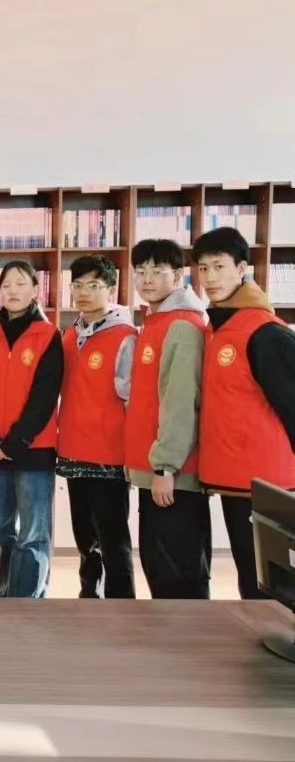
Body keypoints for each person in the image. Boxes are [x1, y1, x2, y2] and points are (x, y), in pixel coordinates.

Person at [194, 226, 295, 599]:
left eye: (219, 266)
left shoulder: (265, 332)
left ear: (241, 269)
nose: (210, 277)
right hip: (234, 479)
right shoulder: (218, 328)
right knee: (251, 578)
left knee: (273, 584)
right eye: (203, 268)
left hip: (269, 483)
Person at [0, 261, 62, 598]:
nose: (12, 291)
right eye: (6, 284)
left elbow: (44, 397)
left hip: (32, 449)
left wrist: (14, 442)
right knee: (3, 529)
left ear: (36, 290)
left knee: (33, 534)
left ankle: (28, 600)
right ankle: (6, 588)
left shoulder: (49, 335)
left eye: (20, 284)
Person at [124, 239, 209, 599]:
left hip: (173, 475)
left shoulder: (182, 326)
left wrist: (166, 467)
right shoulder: (155, 322)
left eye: (157, 271)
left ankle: (188, 636)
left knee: (177, 572)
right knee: (161, 567)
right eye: (140, 271)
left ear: (178, 276)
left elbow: (180, 402)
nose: (146, 279)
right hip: (158, 471)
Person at [56, 254, 136, 599]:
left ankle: (122, 606)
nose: (84, 293)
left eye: (93, 285)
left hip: (109, 455)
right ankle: (88, 597)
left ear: (110, 290)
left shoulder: (125, 336)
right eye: (77, 285)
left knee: (113, 539)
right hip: (74, 450)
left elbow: (133, 400)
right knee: (85, 539)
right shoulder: (69, 335)